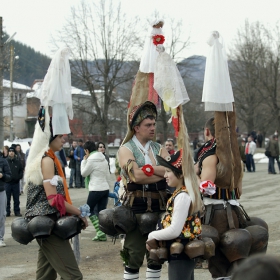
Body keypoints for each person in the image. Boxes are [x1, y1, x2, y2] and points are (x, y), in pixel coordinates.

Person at [23, 47, 89, 279]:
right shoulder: (47, 161)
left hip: (48, 225)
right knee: (73, 276)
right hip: (48, 225)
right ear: (51, 138)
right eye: (61, 136)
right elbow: (54, 200)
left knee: (45, 277)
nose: (64, 139)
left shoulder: (48, 158)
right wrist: (79, 212)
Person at [118, 101, 170, 280]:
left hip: (159, 204)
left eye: (154, 124)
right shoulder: (125, 149)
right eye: (148, 125)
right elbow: (136, 177)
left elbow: (171, 171)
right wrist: (159, 171)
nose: (153, 128)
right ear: (136, 128)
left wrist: (147, 170)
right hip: (136, 207)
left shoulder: (158, 148)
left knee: (156, 254)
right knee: (133, 255)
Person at [146, 149, 202, 280]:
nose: (165, 175)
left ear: (181, 175)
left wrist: (152, 235)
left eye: (168, 171)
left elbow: (175, 230)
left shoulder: (182, 196)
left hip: (180, 254)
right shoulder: (181, 193)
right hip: (179, 252)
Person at [81, 141, 111, 241]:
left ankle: (100, 232)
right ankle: (102, 233)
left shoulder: (90, 160)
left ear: (87, 150)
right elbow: (108, 175)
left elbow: (84, 173)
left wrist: (83, 161)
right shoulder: (104, 159)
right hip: (105, 188)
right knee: (101, 212)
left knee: (88, 210)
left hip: (95, 189)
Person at [5, 147, 23, 217]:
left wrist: (19, 177)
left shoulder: (18, 161)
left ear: (14, 153)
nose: (11, 152)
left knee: (16, 198)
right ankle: (7, 211)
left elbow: (21, 170)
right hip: (7, 183)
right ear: (8, 152)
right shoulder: (6, 161)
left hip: (15, 183)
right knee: (7, 199)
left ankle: (17, 211)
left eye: (12, 151)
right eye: (10, 151)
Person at [0, 154, 12, 247]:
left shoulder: (3, 161)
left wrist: (2, 175)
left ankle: (0, 238)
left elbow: (9, 176)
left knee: (1, 215)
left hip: (1, 191)